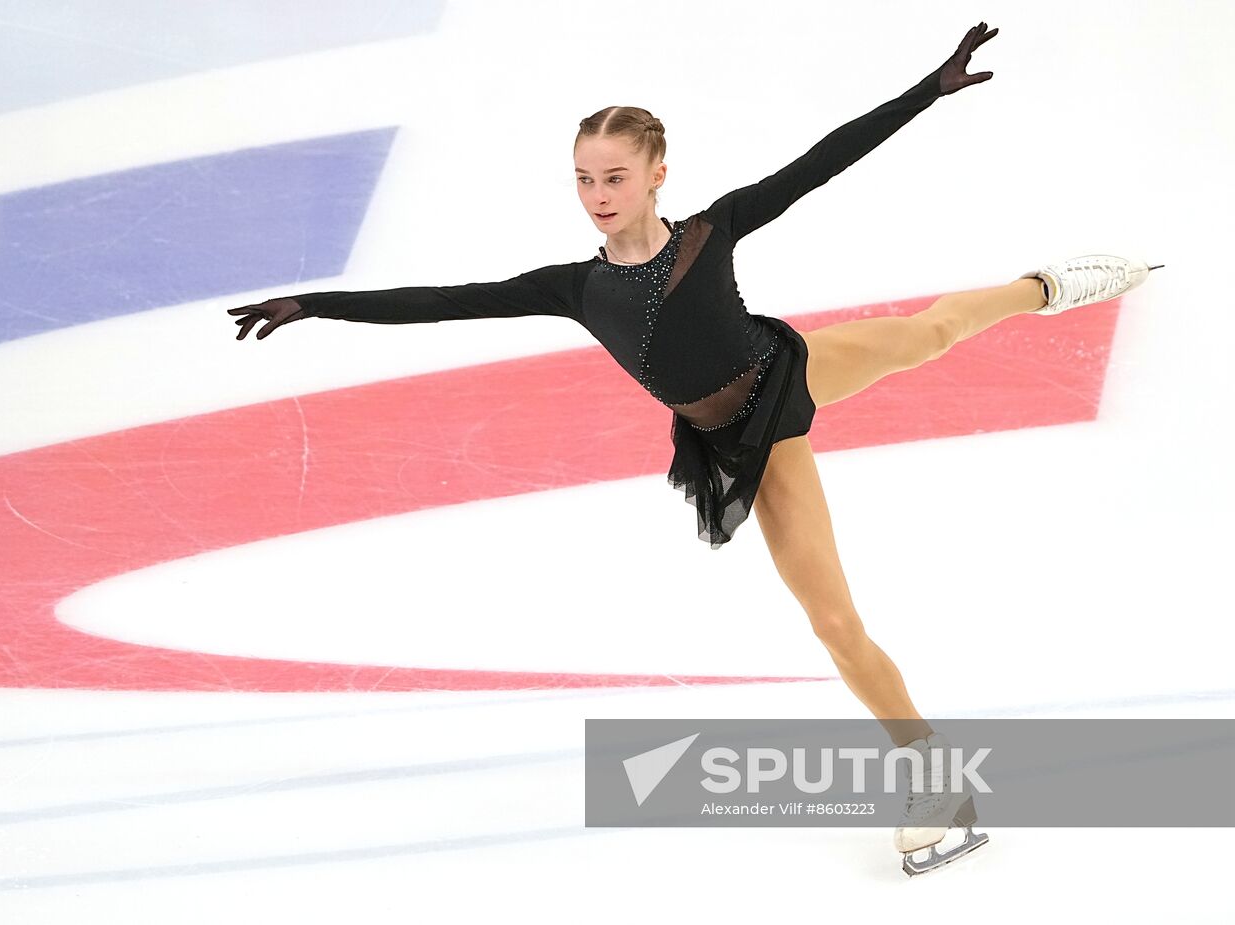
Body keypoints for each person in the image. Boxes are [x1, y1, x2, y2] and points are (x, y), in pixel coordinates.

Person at [227, 21, 1160, 874]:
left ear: (657, 172)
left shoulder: (714, 232)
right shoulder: (569, 286)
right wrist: (312, 304)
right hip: (725, 437)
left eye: (616, 177)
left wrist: (930, 87)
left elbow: (821, 162)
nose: (598, 196)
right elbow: (442, 300)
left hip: (781, 386)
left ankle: (1046, 286)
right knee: (843, 591)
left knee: (924, 345)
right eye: (586, 179)